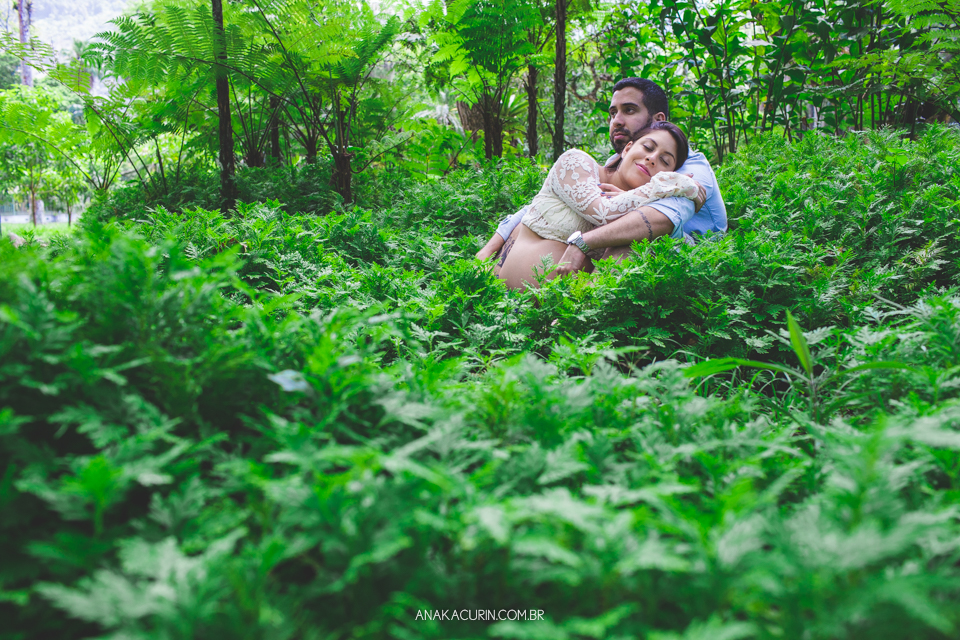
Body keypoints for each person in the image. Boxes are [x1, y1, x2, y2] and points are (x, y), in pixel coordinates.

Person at [476, 77, 727, 276]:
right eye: (612, 113)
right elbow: (548, 200)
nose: (617, 121)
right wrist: (488, 249)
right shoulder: (612, 165)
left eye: (629, 110)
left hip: (684, 264)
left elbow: (660, 219)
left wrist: (582, 243)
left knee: (635, 241)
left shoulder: (690, 173)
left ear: (658, 119)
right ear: (629, 149)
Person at [497, 122, 699, 290]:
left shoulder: (646, 208)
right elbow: (603, 213)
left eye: (664, 161)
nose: (652, 158)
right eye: (647, 147)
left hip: (571, 325)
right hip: (509, 311)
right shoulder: (577, 163)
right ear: (627, 148)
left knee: (635, 244)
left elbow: (684, 243)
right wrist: (676, 185)